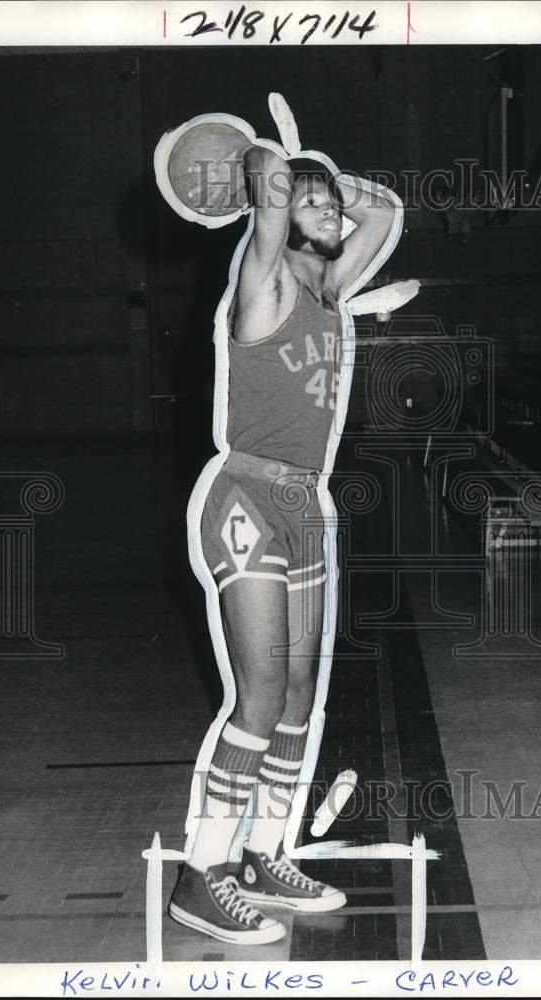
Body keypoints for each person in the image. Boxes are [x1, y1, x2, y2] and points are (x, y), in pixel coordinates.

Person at [168, 140, 397, 945]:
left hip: (305, 505)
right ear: (275, 218)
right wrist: (275, 158)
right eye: (312, 205)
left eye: (333, 204)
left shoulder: (330, 289)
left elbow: (387, 210)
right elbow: (268, 187)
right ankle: (202, 875)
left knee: (300, 697)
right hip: (247, 498)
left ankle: (265, 854)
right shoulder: (260, 284)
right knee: (260, 695)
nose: (332, 213)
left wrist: (328, 180)